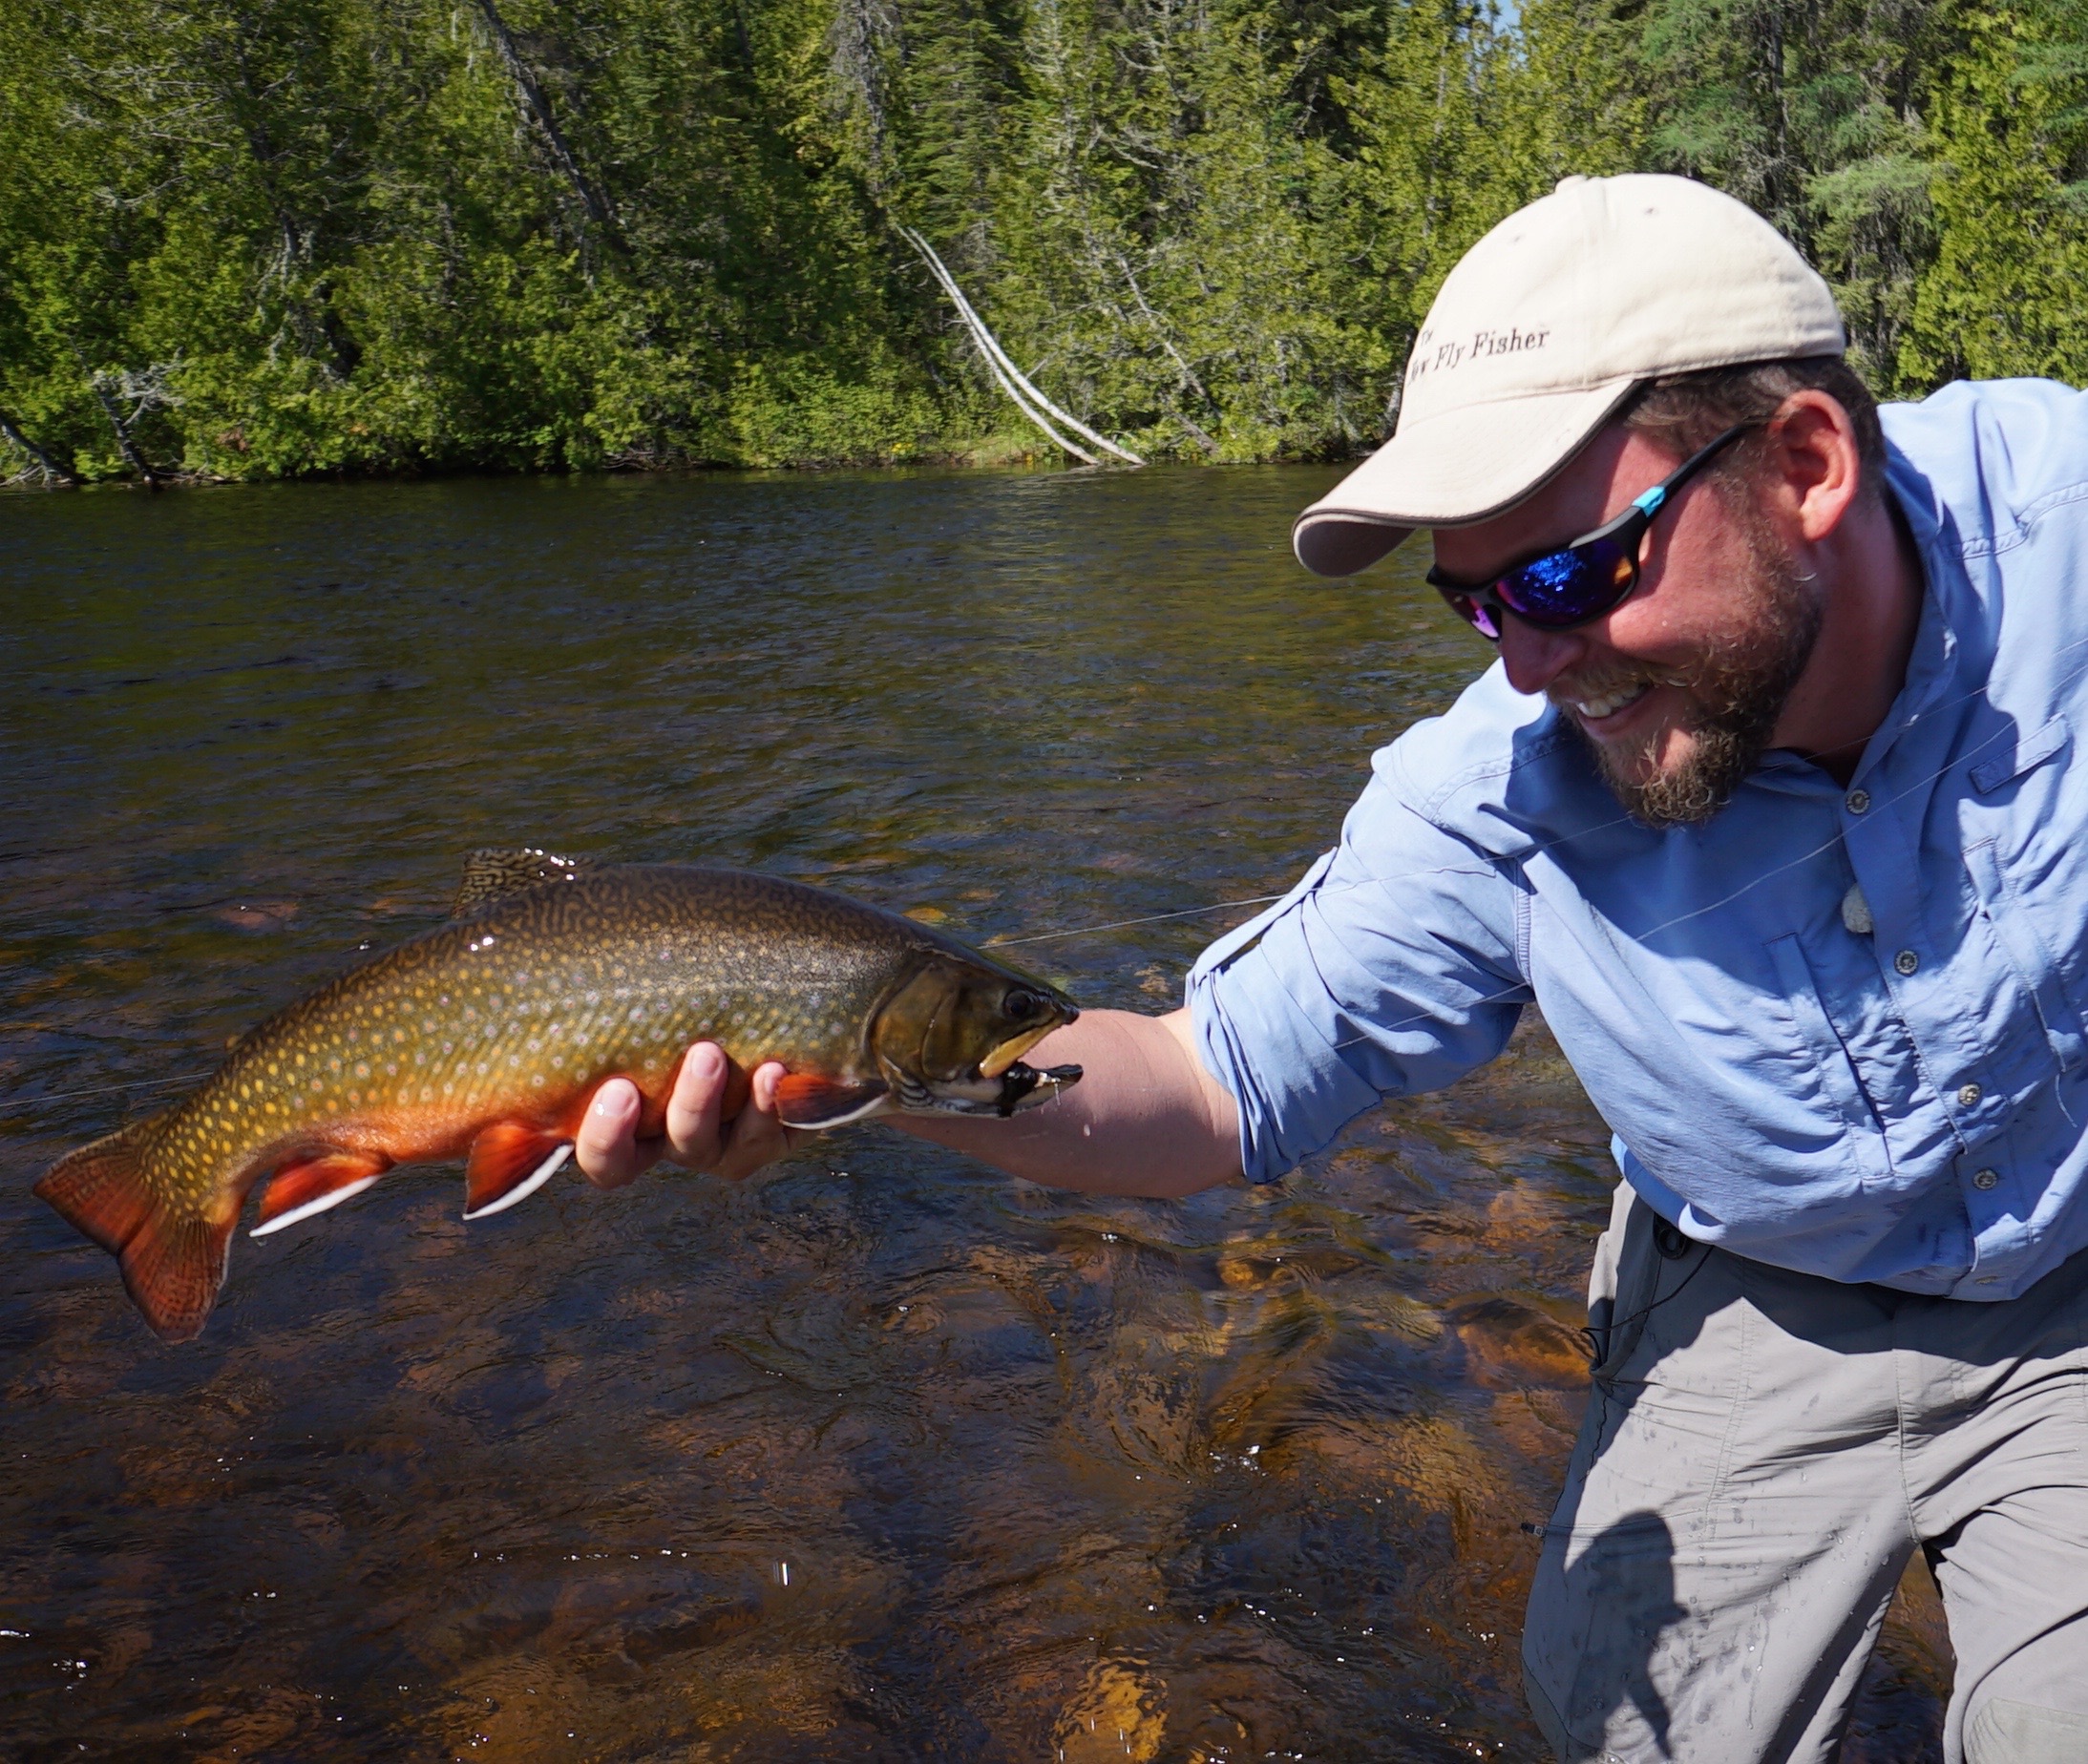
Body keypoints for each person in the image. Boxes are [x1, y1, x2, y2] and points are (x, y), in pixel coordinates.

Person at [573, 175, 2088, 1762]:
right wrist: (869, 1074)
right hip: (1759, 1273)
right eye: (1473, 601)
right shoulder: (1498, 788)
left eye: (1564, 579)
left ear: (1805, 466)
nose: (1525, 659)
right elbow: (1209, 1084)